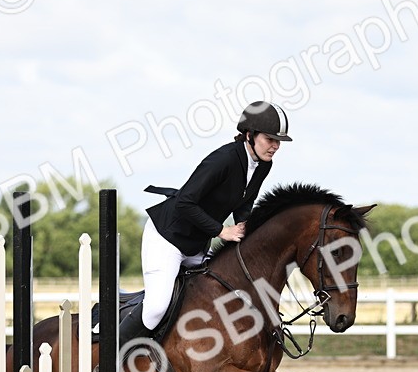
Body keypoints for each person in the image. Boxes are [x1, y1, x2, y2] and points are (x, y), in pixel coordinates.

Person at [123, 101, 292, 347]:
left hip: (197, 243)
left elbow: (244, 204)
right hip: (167, 237)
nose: (276, 146)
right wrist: (222, 231)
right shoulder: (223, 159)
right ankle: (106, 366)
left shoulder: (264, 164)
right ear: (249, 135)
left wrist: (248, 231)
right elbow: (184, 202)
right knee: (157, 307)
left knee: (215, 295)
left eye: (279, 141)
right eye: (270, 139)